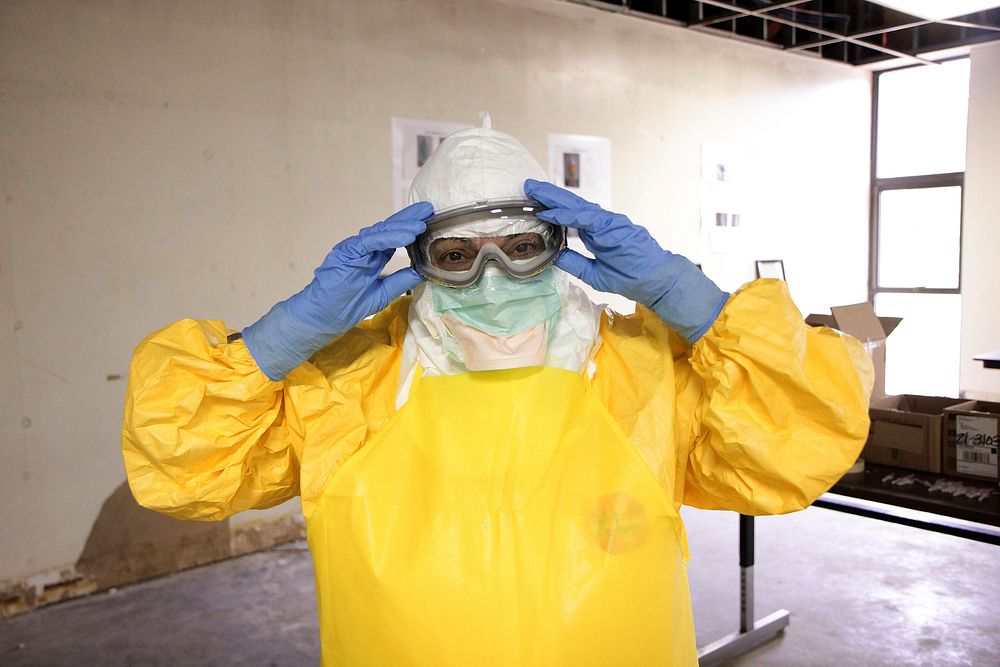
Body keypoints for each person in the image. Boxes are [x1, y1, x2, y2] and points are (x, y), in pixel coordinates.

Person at [122, 114, 873, 666]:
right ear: (417, 258)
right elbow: (184, 468)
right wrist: (278, 339)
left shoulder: (640, 374)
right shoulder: (347, 386)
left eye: (519, 247)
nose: (490, 277)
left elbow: (801, 444)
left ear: (556, 244)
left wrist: (695, 301)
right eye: (456, 253)